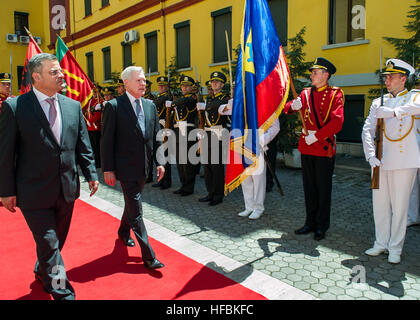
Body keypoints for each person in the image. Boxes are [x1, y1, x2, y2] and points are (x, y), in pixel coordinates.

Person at [0, 53, 99, 300]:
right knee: (50, 242)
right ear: (36, 77)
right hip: (32, 192)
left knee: (55, 241)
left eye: (59, 70)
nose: (61, 74)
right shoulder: (15, 107)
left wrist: (91, 174)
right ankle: (61, 289)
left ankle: (42, 268)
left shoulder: (72, 106)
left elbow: (83, 145)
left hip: (66, 189)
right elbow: (5, 153)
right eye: (54, 71)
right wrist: (5, 191)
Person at [101, 66, 165, 269]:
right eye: (138, 80)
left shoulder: (150, 106)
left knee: (131, 203)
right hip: (124, 168)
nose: (143, 83)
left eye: (144, 80)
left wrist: (160, 162)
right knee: (136, 210)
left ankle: (122, 231)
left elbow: (156, 137)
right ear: (126, 83)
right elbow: (106, 141)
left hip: (144, 167)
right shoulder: (114, 106)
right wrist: (108, 169)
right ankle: (148, 256)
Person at [362, 58, 419, 264]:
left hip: (404, 161)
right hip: (381, 160)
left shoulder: (414, 97)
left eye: (391, 77)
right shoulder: (379, 102)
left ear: (403, 79)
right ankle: (381, 243)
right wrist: (370, 155)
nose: (387, 80)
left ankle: (396, 248)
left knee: (400, 207)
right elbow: (367, 129)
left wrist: (395, 112)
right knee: (380, 205)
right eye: (385, 77)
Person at [284, 57, 344, 241]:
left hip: (322, 147)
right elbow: (287, 109)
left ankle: (321, 225)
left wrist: (316, 136)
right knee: (309, 188)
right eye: (312, 72)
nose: (311, 75)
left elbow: (337, 122)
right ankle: (309, 222)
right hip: (307, 147)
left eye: (315, 72)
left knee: (323, 189)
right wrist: (292, 106)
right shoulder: (305, 93)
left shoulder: (336, 94)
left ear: (326, 75)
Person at [197, 71, 230, 206]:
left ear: (222, 84)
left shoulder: (225, 98)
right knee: (207, 166)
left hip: (219, 134)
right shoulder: (210, 99)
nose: (214, 83)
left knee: (216, 166)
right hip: (208, 134)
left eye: (217, 82)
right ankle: (210, 192)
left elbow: (217, 108)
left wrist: (206, 107)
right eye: (212, 81)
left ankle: (218, 194)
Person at [238, 118, 280, 219]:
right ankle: (249, 206)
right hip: (244, 144)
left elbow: (275, 127)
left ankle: (258, 208)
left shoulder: (266, 104)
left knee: (258, 179)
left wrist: (262, 139)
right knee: (246, 179)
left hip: (258, 146)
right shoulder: (243, 103)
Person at [171, 76, 199, 196]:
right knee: (179, 161)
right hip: (178, 131)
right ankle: (183, 185)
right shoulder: (182, 99)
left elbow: (179, 102)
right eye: (183, 86)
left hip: (188, 131)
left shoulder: (192, 99)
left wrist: (173, 101)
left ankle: (189, 187)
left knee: (188, 162)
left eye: (187, 86)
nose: (184, 88)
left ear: (192, 87)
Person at [152, 76, 173, 190]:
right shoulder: (159, 97)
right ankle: (161, 179)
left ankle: (166, 181)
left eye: (164, 85)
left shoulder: (165, 97)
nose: (161, 87)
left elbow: (156, 103)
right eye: (160, 85)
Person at [407, 75, 420, 227]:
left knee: (412, 186)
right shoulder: (412, 98)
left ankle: (413, 215)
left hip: (412, 146)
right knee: (412, 185)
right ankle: (412, 215)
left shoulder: (408, 98)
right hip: (413, 146)